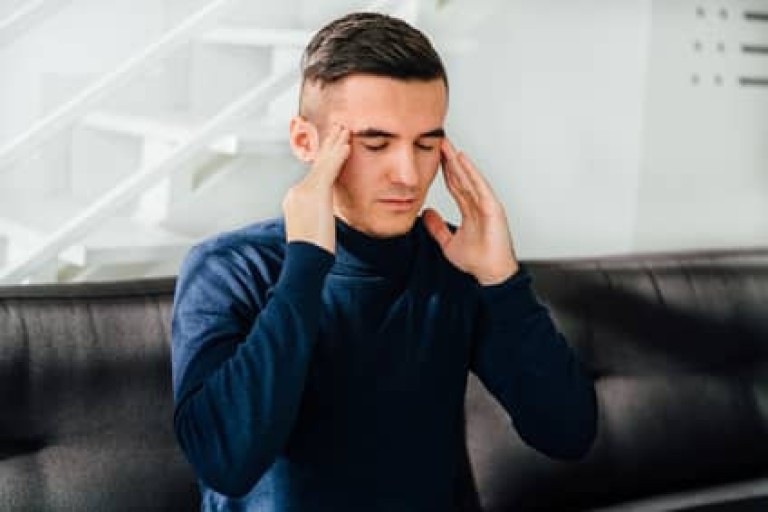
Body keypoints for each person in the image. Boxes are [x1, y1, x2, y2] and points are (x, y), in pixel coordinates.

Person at [171, 11, 597, 511]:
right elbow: (227, 460)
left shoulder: (454, 263)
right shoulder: (229, 268)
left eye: (426, 144)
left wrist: (501, 280)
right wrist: (306, 263)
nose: (408, 175)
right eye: (376, 143)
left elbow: (568, 433)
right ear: (307, 142)